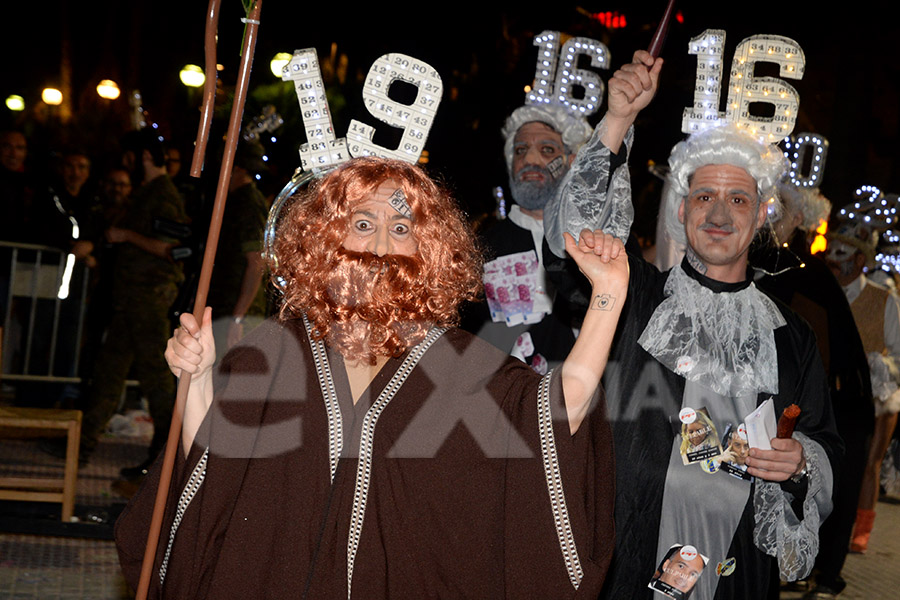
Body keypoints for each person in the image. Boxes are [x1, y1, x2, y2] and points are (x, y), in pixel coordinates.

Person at [115, 156, 626, 598]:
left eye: (401, 229)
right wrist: (200, 377)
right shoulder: (274, 350)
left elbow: (563, 408)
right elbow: (212, 465)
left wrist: (607, 296)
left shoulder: (459, 364)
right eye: (363, 223)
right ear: (328, 237)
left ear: (426, 250)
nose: (380, 245)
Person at [543, 50, 841, 599]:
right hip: (623, 565)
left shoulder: (790, 334)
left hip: (736, 575)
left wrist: (802, 462)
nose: (720, 215)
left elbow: (823, 442)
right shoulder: (634, 292)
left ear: (759, 218)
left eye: (737, 199)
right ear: (681, 212)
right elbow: (572, 240)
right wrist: (617, 120)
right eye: (704, 197)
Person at [755, 182, 873, 600]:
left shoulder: (806, 273)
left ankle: (827, 573)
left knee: (832, 485)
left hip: (839, 404)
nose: (772, 215)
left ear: (801, 219)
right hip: (813, 398)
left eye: (782, 208)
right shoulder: (772, 262)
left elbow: (808, 350)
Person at [72, 130, 189, 470]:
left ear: (146, 158)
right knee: (109, 373)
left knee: (157, 380)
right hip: (132, 300)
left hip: (150, 300)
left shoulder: (163, 196)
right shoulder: (146, 194)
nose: (126, 165)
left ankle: (167, 456)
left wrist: (127, 236)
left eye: (130, 158)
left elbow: (174, 250)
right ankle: (81, 444)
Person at [461, 105, 592, 373]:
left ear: (571, 161)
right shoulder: (480, 251)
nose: (531, 160)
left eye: (547, 150)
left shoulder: (597, 243)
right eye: (521, 150)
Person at [825, 221, 900, 559]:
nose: (832, 258)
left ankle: (863, 530)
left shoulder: (885, 300)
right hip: (837, 396)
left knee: (870, 462)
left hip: (880, 399)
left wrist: (878, 363)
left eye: (841, 253)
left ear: (859, 261)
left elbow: (898, 355)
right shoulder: (825, 296)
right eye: (830, 250)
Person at [206, 140, 270, 354]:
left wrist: (238, 318)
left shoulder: (248, 204)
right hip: (228, 308)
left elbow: (256, 262)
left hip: (238, 313)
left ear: (238, 169)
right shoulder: (237, 201)